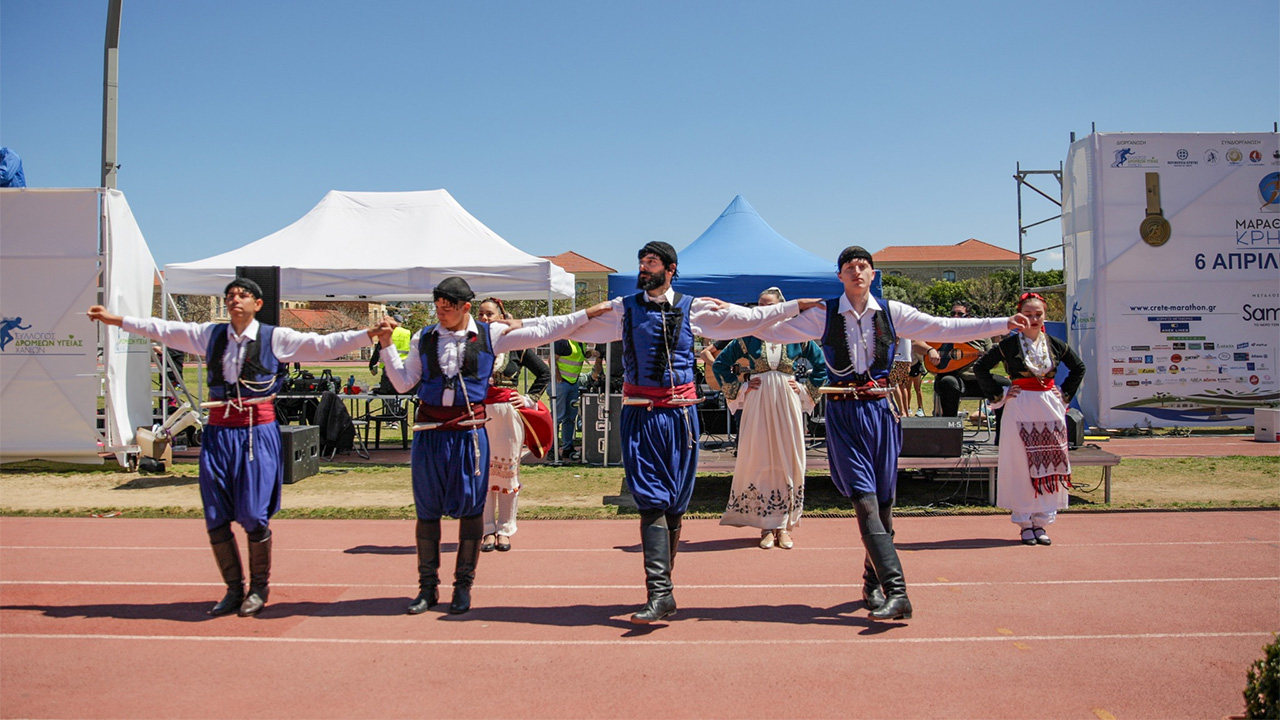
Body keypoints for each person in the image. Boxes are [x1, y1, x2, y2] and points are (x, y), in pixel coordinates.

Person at [522, 242, 822, 624]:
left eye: (651, 262)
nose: (643, 268)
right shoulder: (623, 309)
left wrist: (796, 306)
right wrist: (518, 329)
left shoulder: (695, 308)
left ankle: (665, 587)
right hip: (640, 414)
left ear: (670, 268)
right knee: (651, 500)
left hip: (681, 416)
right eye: (641, 262)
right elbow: (570, 325)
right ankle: (659, 592)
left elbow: (749, 318)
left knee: (676, 504)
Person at [754, 247, 1031, 622]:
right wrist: (780, 308)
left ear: (872, 273)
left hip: (881, 414)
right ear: (840, 276)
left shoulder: (892, 312)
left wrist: (1002, 323)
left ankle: (872, 583)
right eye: (849, 267)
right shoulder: (823, 314)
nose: (856, 271)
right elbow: (761, 329)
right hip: (844, 414)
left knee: (884, 506)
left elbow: (943, 328)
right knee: (864, 499)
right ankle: (898, 592)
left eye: (863, 266)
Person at [86, 278, 384, 617]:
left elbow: (324, 345)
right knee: (215, 514)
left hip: (256, 433)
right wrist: (115, 320)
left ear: (258, 304)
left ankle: (258, 587)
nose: (235, 300)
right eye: (230, 295)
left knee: (254, 514)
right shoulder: (210, 335)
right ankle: (233, 589)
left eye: (243, 295)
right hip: (219, 434)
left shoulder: (275, 338)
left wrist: (368, 334)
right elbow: (163, 329)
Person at [378, 277, 607, 616]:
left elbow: (548, 329)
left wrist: (586, 313)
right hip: (429, 432)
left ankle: (463, 586)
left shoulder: (492, 335)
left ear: (465, 307)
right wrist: (385, 345)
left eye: (448, 308)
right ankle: (427, 588)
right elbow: (402, 383)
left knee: (472, 508)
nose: (441, 313)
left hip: (469, 433)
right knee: (427, 511)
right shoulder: (423, 337)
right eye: (438, 307)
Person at [713, 287, 826, 550]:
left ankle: (784, 525)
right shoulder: (749, 335)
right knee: (760, 456)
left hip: (787, 400)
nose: (764, 309)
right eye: (760, 305)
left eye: (769, 305)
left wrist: (805, 389)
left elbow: (822, 365)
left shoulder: (797, 334)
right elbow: (720, 364)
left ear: (781, 306)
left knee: (788, 455)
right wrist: (741, 387)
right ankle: (765, 525)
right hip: (759, 400)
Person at [972, 293, 1086, 546]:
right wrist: (1000, 393)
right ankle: (1024, 522)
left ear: (1044, 316)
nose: (1033, 319)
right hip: (1020, 405)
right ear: (1019, 316)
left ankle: (1042, 521)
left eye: (1038, 314)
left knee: (1049, 462)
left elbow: (1079, 367)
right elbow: (980, 367)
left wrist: (1065, 394)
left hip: (1049, 407)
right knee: (1021, 463)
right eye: (1028, 314)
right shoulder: (1008, 345)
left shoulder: (1055, 344)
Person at [475, 297, 551, 553]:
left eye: (489, 314)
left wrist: (529, 399)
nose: (485, 318)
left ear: (501, 316)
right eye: (481, 314)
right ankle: (487, 530)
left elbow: (544, 372)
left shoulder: (516, 344)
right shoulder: (472, 345)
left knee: (507, 474)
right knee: (482, 474)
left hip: (508, 415)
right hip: (480, 415)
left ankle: (505, 529)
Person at [929, 302, 1008, 417]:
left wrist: (991, 356)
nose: (955, 317)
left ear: (968, 316)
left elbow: (994, 364)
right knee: (948, 382)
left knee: (1006, 385)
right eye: (953, 314)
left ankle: (1001, 425)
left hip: (979, 381)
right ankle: (951, 425)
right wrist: (930, 350)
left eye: (960, 314)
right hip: (955, 379)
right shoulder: (944, 332)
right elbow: (919, 342)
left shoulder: (981, 334)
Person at [553, 337, 587, 460]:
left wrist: (590, 353)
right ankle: (552, 448)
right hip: (561, 383)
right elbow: (552, 359)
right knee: (557, 417)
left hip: (573, 383)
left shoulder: (581, 342)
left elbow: (578, 358)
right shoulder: (563, 341)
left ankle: (567, 447)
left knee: (570, 417)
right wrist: (557, 376)